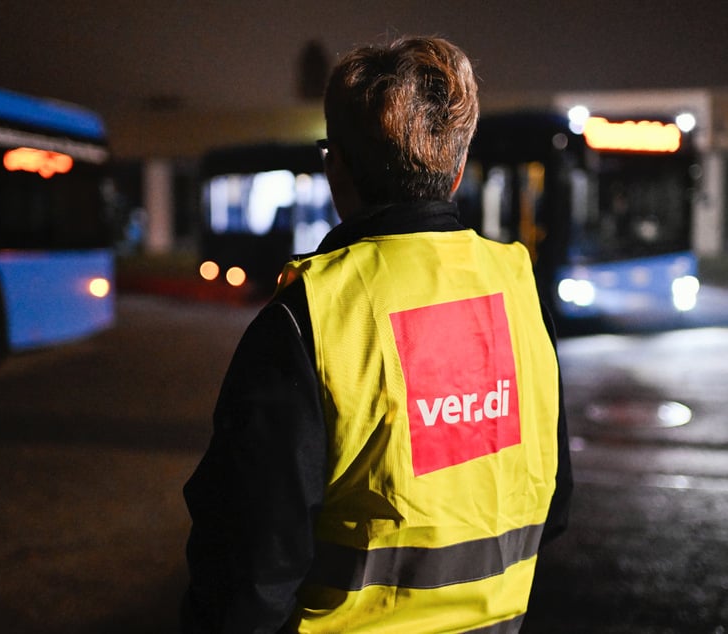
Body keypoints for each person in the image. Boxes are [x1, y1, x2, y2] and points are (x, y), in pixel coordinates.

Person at [181, 35, 572, 633]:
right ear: (459, 168)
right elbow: (556, 503)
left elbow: (250, 567)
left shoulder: (307, 316)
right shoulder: (519, 287)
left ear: (335, 166)